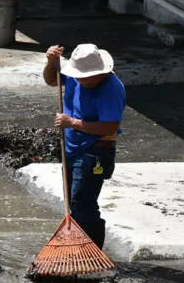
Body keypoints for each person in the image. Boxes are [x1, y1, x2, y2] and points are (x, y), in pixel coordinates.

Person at [43, 43, 126, 249]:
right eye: (80, 77)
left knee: (84, 204)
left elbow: (109, 126)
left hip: (94, 151)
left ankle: (92, 251)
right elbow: (51, 79)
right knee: (73, 201)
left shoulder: (112, 88)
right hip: (71, 148)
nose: (82, 80)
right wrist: (51, 63)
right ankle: (79, 248)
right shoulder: (75, 75)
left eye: (87, 77)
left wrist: (71, 123)